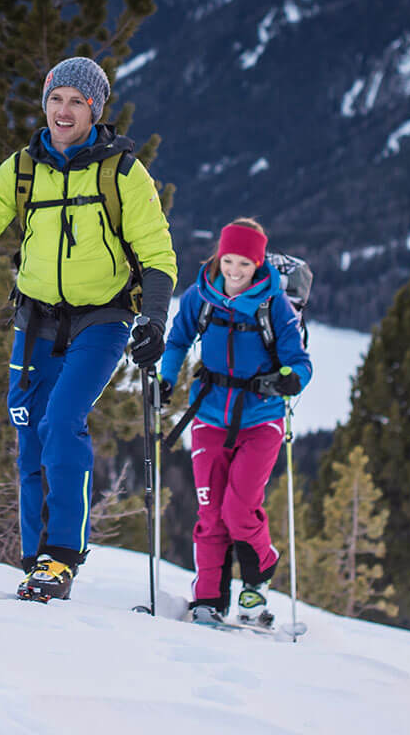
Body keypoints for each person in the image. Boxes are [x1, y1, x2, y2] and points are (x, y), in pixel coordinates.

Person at [0, 56, 177, 601]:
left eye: (77, 101)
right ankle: (35, 562)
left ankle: (61, 557)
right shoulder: (24, 167)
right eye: (56, 98)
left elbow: (157, 253)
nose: (63, 110)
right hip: (35, 318)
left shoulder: (122, 171)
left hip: (102, 319)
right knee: (28, 433)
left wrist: (153, 318)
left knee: (62, 419)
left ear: (94, 110)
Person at [158, 218, 311, 627]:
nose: (235, 271)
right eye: (229, 260)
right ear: (218, 256)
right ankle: (207, 599)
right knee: (210, 513)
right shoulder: (200, 296)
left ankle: (258, 576)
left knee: (239, 508)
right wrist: (166, 378)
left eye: (244, 263)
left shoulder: (274, 304)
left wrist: (288, 380)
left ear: (257, 263)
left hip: (260, 419)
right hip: (209, 415)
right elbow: (177, 339)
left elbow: (299, 362)